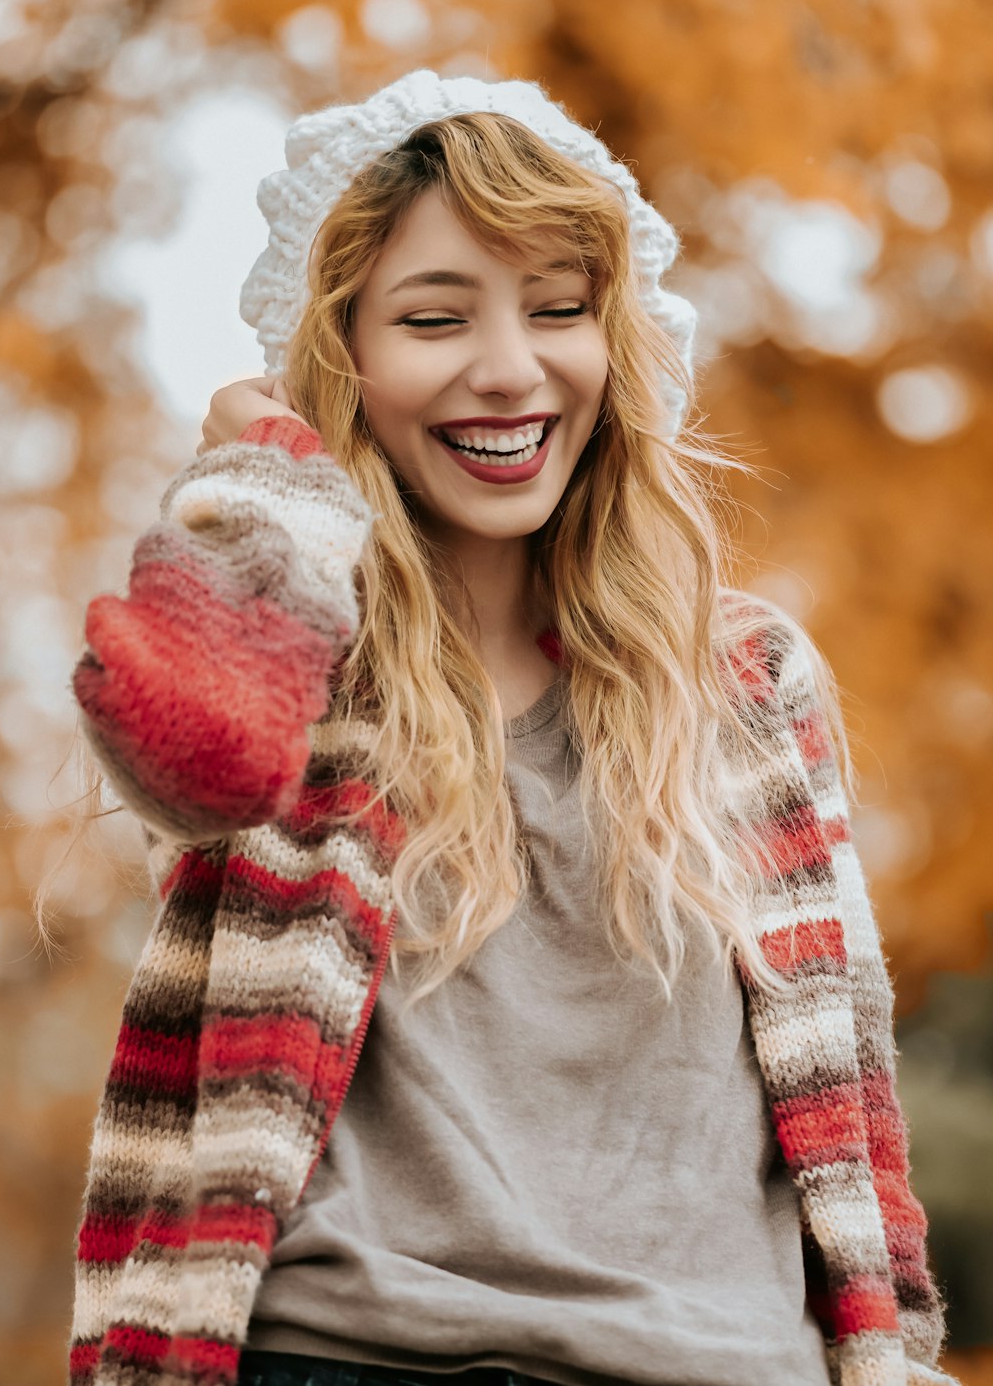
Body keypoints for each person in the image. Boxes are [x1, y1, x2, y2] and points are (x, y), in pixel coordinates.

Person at [67, 69, 956, 1386]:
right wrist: (262, 468)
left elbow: (849, 1104)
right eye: (434, 319)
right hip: (354, 1359)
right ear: (345, 357)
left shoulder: (748, 683)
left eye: (558, 312)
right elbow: (193, 755)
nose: (508, 370)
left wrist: (895, 1355)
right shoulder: (302, 657)